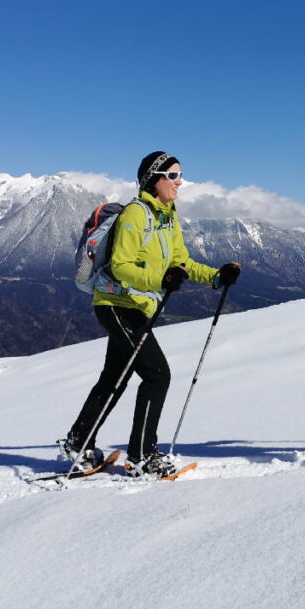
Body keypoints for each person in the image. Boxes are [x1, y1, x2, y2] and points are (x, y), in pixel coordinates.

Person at [60, 151, 241, 478]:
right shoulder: (135, 214)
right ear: (153, 179)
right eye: (172, 176)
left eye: (180, 175)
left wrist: (216, 277)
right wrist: (160, 280)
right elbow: (120, 266)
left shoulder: (168, 216)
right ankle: (142, 455)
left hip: (138, 308)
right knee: (158, 375)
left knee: (115, 377)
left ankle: (79, 441)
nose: (179, 182)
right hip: (116, 305)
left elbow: (181, 263)